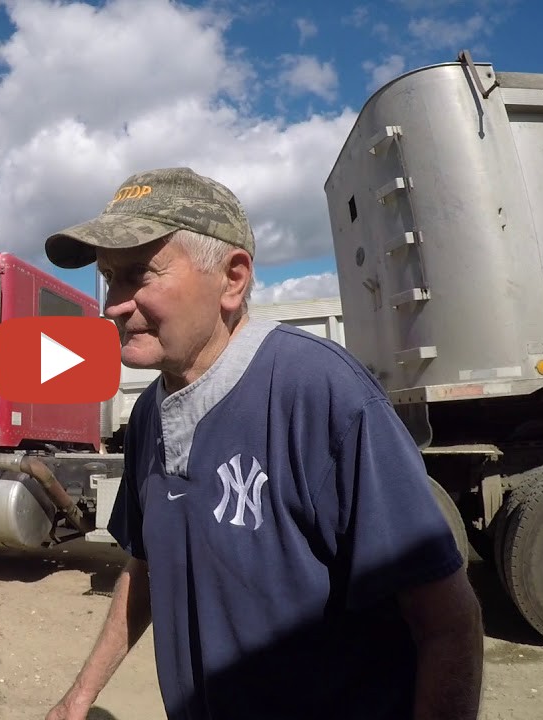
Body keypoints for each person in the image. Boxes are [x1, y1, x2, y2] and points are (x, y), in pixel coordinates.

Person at [41, 167, 483, 720]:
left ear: (232, 279)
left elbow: (448, 622)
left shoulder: (320, 391)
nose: (113, 304)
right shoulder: (151, 412)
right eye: (109, 278)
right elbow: (147, 565)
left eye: (138, 274)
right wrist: (79, 697)